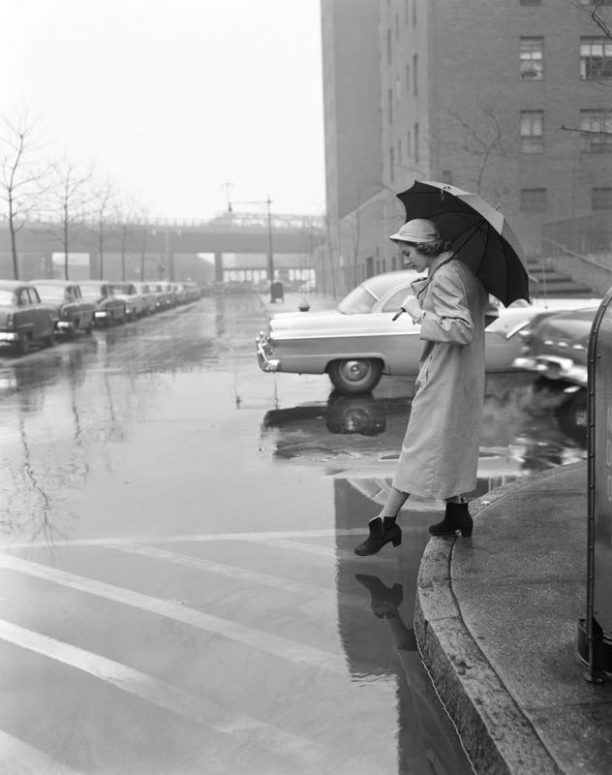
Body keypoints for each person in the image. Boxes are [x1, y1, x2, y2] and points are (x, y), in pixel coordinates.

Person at [354, 218, 489, 556]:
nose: (405, 259)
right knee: (452, 442)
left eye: (407, 251)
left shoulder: (445, 276)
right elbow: (487, 313)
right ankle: (457, 513)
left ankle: (386, 523)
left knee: (417, 449)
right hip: (464, 375)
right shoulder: (463, 271)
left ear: (426, 246)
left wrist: (417, 311)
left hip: (444, 376)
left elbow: (460, 330)